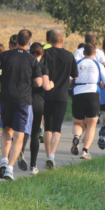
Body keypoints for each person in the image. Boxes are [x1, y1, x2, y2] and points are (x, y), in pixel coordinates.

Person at [0, 29, 43, 180]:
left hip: (6, 98)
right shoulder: (32, 59)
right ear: (29, 43)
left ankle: (4, 160)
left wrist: (3, 80)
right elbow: (39, 82)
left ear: (16, 40)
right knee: (19, 135)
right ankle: (10, 169)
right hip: (23, 100)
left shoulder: (5, 55)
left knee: (6, 130)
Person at [40, 30, 77, 168]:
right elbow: (75, 75)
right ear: (62, 41)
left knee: (47, 127)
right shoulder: (69, 55)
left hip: (47, 95)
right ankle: (52, 156)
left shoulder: (46, 54)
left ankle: (47, 155)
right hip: (62, 96)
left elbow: (39, 69)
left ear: (49, 40)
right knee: (57, 128)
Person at [69, 43, 105, 159]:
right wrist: (100, 85)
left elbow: (70, 80)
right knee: (91, 125)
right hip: (93, 94)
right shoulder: (98, 65)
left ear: (83, 52)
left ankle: (77, 136)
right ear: (95, 53)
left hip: (78, 94)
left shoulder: (77, 64)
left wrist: (73, 84)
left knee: (77, 123)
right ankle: (85, 151)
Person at [22, 43, 50, 172]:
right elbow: (45, 85)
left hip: (24, 99)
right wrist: (52, 84)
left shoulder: (25, 64)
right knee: (35, 133)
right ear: (42, 54)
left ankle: (20, 151)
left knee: (23, 131)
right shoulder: (43, 67)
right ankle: (33, 166)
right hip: (38, 102)